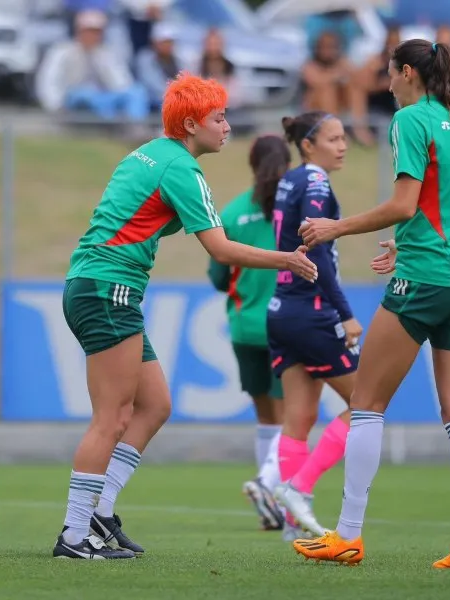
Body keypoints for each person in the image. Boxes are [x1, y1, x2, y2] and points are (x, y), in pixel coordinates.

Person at [52, 72, 318, 560]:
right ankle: (74, 535)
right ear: (193, 123)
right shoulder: (181, 170)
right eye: (219, 118)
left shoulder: (151, 153)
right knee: (110, 419)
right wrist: (287, 258)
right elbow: (218, 249)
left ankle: (99, 513)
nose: (227, 126)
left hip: (102, 287)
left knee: (154, 406)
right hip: (107, 289)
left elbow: (141, 218)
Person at [294, 39, 450, 569]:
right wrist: (407, 240)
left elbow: (405, 203)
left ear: (408, 73)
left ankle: (348, 534)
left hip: (425, 282)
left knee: (365, 401)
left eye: (389, 74)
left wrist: (338, 226)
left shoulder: (411, 120)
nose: (385, 84)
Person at [267, 111, 363, 542]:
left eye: (344, 138)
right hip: (312, 310)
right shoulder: (317, 181)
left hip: (282, 310)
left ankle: (293, 525)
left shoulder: (290, 179)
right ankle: (299, 488)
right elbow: (316, 250)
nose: (342, 145)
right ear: (308, 144)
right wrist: (344, 311)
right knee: (366, 405)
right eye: (334, 138)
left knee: (299, 419)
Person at [207, 135, 294, 532]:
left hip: (245, 326)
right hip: (287, 326)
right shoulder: (295, 211)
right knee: (293, 420)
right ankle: (277, 496)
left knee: (266, 418)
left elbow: (218, 276)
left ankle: (267, 501)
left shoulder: (234, 211)